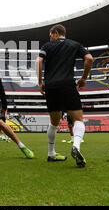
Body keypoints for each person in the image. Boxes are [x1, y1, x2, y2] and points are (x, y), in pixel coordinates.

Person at [36, 24, 93, 166]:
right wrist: (84, 78)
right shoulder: (75, 44)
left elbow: (38, 61)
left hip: (51, 86)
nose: (50, 38)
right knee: (78, 119)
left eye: (50, 35)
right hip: (67, 85)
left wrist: (40, 82)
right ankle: (76, 146)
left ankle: (51, 154)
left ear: (55, 33)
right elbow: (89, 59)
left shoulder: (47, 46)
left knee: (54, 123)